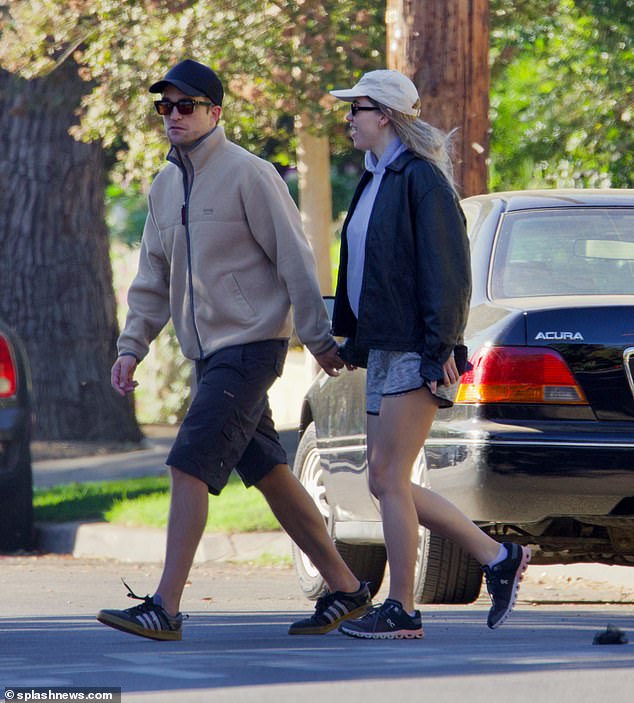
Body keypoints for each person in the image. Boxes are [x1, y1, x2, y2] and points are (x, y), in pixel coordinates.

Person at [96, 59, 372, 641]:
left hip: (250, 347)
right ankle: (346, 588)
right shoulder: (165, 184)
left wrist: (318, 339)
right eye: (164, 106)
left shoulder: (250, 174)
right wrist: (131, 348)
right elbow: (151, 275)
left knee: (187, 462)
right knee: (271, 472)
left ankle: (165, 606)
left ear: (214, 112)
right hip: (208, 355)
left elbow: (295, 260)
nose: (173, 115)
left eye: (185, 105)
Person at [328, 70, 531, 640]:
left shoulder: (423, 181)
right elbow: (367, 270)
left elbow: (449, 274)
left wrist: (440, 347)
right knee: (382, 479)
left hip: (420, 350)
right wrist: (351, 337)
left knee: (390, 477)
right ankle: (497, 556)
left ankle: (403, 609)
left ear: (386, 115)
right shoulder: (371, 180)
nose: (349, 117)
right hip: (383, 345)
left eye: (358, 108)